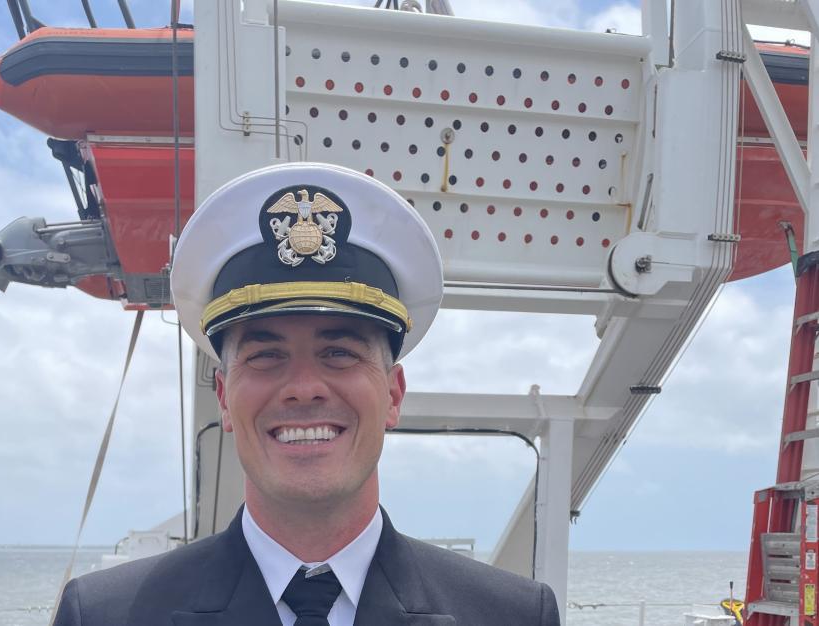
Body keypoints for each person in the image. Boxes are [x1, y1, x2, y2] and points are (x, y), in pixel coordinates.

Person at [53, 163, 561, 626]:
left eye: (339, 352)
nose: (303, 388)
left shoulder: (512, 616)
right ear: (225, 398)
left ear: (393, 394)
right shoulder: (102, 615)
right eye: (265, 355)